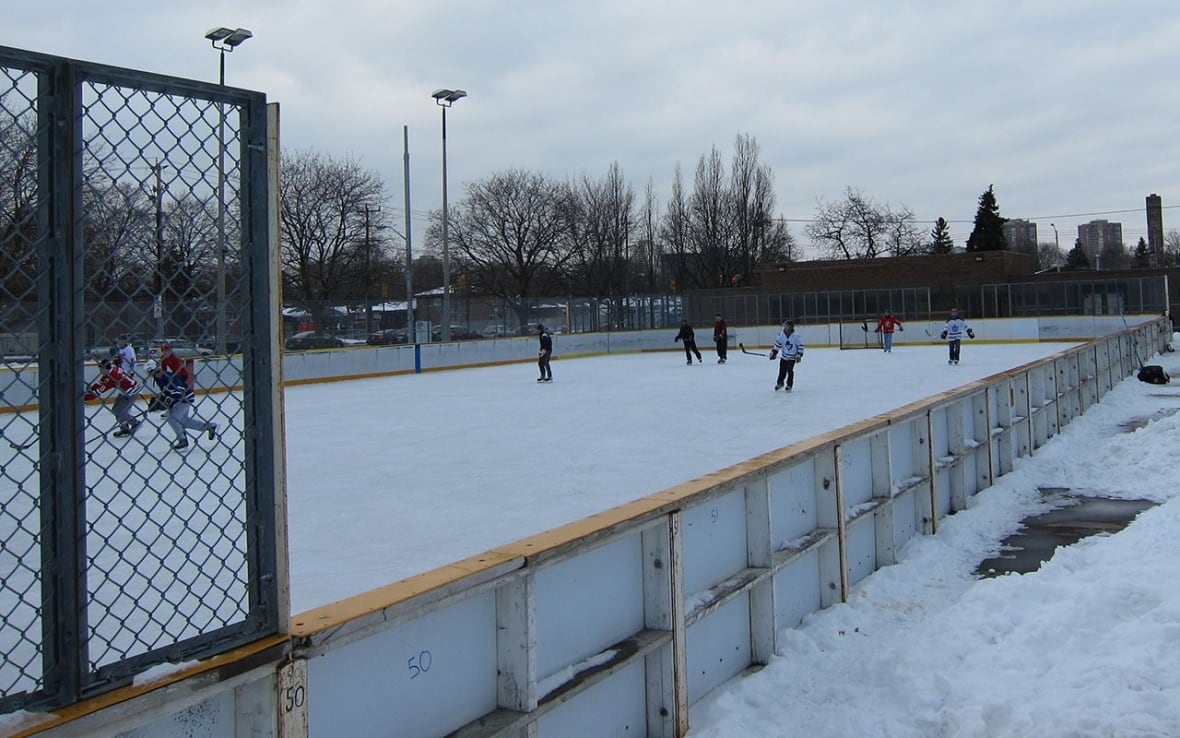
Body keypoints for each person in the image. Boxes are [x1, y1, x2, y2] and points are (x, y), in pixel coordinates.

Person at [144, 359, 218, 449]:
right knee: (183, 421)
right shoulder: (159, 379)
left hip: (184, 399)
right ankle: (210, 427)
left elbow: (179, 392)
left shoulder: (167, 377)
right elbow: (167, 393)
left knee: (172, 419)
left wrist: (165, 402)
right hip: (181, 399)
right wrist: (159, 401)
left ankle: (182, 440)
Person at [85, 357, 144, 437]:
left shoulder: (111, 378)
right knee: (115, 410)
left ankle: (135, 423)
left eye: (101, 369)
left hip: (131, 393)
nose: (100, 371)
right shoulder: (113, 370)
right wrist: (91, 388)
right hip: (128, 390)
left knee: (120, 411)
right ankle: (124, 428)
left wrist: (83, 397)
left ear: (105, 368)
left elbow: (96, 394)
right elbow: (100, 383)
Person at [770, 320, 804, 391]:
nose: (784, 327)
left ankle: (789, 385)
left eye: (786, 326)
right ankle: (780, 383)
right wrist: (774, 352)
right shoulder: (781, 334)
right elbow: (778, 343)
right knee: (782, 370)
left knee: (790, 370)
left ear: (790, 327)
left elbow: (800, 346)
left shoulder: (796, 336)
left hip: (792, 358)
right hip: (784, 356)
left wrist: (799, 355)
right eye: (784, 326)